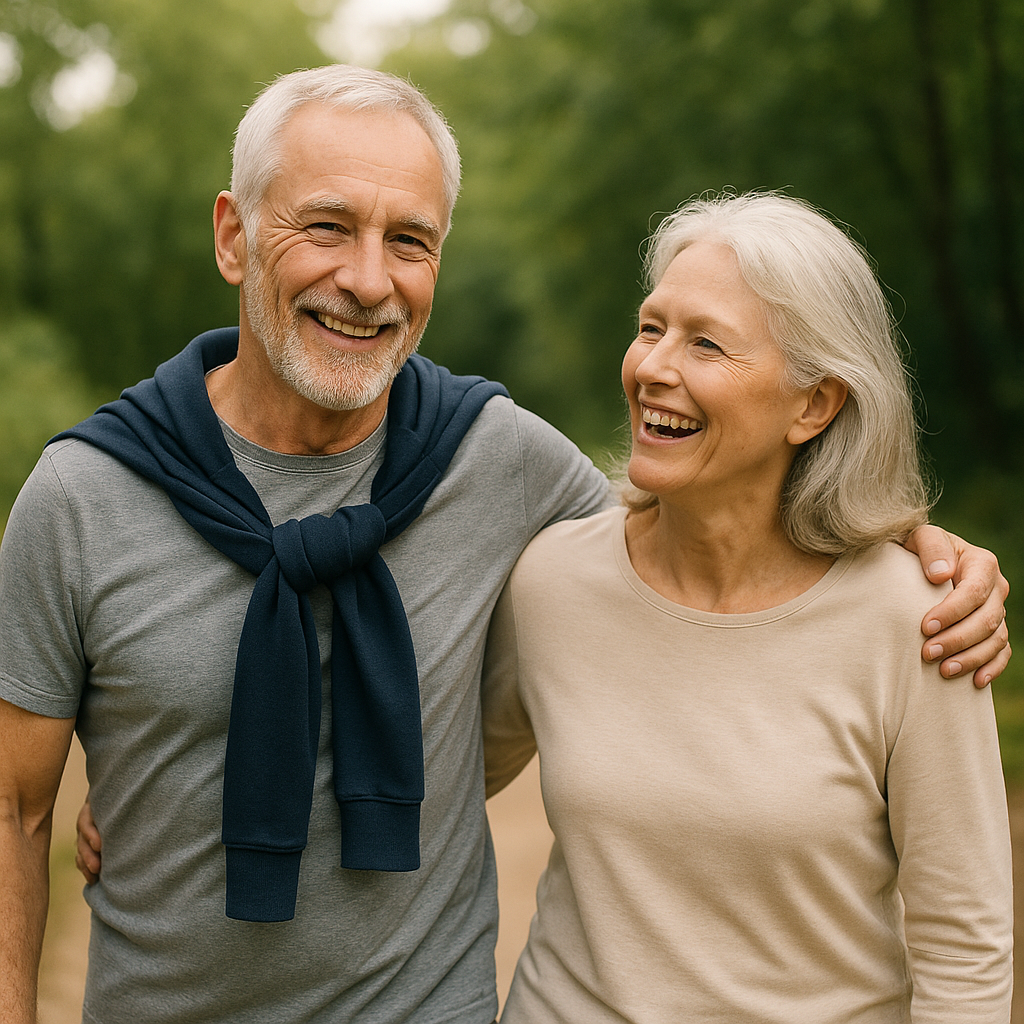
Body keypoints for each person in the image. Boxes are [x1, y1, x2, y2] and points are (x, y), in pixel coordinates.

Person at [0, 65, 1007, 1024]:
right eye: (326, 228)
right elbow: (15, 811)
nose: (365, 279)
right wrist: (168, 799)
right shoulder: (86, 495)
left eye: (409, 239)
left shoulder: (502, 464)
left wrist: (915, 544)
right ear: (233, 235)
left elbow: (717, 508)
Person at [481, 192, 1013, 1022]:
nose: (654, 366)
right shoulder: (551, 580)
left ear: (815, 404)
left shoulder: (920, 620)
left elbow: (966, 949)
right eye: (651, 327)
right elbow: (437, 781)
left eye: (706, 344)